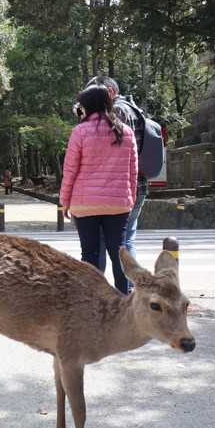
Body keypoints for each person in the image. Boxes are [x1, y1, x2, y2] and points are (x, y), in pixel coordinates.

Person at [60, 84, 138, 294]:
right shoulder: (126, 132)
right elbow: (133, 173)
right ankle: (124, 300)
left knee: (89, 254)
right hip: (117, 204)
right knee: (119, 253)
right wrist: (129, 200)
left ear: (88, 105)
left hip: (85, 204)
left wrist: (65, 202)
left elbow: (70, 172)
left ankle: (91, 301)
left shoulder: (80, 131)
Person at [89, 75, 148, 265]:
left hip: (120, 189)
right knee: (126, 241)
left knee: (101, 241)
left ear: (110, 92)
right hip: (136, 185)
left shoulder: (117, 112)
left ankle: (102, 291)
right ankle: (130, 290)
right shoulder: (136, 110)